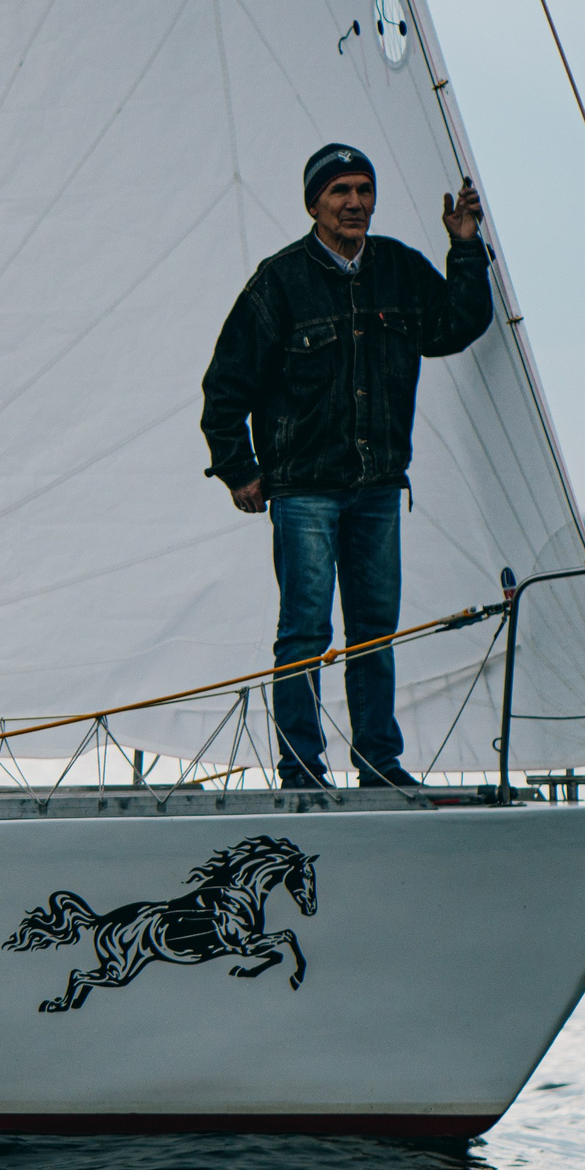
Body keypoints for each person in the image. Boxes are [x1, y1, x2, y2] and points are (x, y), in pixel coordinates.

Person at [200, 144, 493, 790]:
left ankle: (379, 764)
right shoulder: (278, 282)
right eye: (340, 191)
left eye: (364, 189)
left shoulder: (399, 268)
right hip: (303, 491)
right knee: (304, 632)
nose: (355, 202)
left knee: (373, 633)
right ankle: (301, 769)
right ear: (314, 205)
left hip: (379, 488)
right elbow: (224, 387)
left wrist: (466, 246)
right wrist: (239, 470)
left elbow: (456, 325)